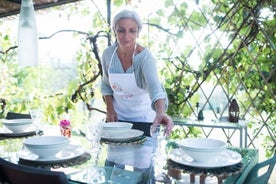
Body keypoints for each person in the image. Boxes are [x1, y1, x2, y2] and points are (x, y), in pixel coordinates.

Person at [100, 9, 173, 136]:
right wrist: (110, 110)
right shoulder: (108, 54)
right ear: (114, 31)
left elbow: (155, 88)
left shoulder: (145, 58)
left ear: (138, 33)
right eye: (121, 30)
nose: (126, 36)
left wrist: (161, 113)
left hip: (145, 122)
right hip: (118, 122)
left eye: (132, 31)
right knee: (115, 156)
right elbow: (106, 85)